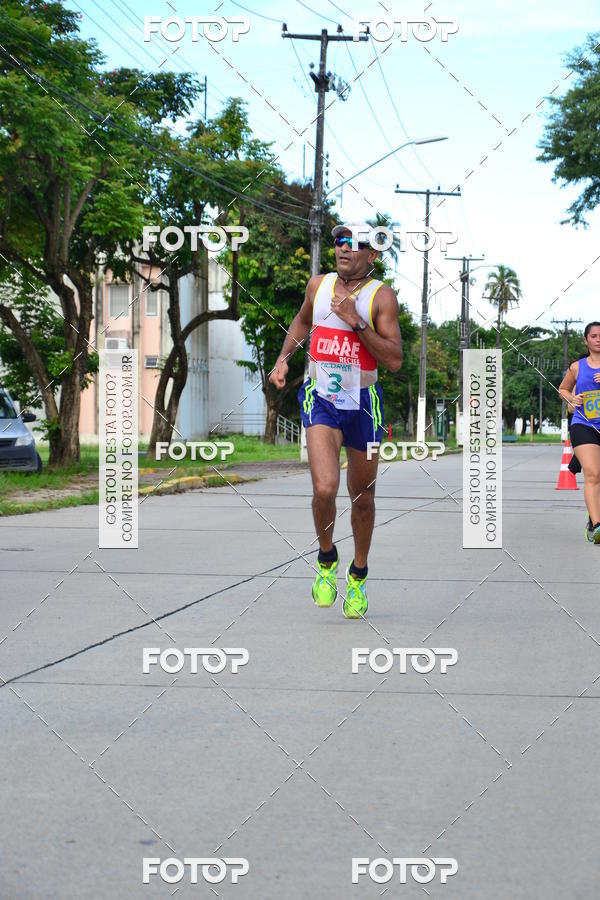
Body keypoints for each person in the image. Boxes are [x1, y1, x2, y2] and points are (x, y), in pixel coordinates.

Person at [268, 223, 403, 617]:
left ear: (372, 255)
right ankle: (326, 559)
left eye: (354, 244)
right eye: (340, 242)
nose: (344, 249)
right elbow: (302, 321)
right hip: (322, 396)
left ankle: (358, 574)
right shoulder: (319, 286)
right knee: (325, 488)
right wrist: (283, 358)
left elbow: (394, 360)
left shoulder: (381, 297)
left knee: (363, 496)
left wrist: (356, 321)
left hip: (364, 402)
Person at [558, 321, 600, 542]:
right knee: (593, 473)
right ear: (586, 340)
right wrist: (571, 398)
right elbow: (563, 389)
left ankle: (593, 513)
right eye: (594, 336)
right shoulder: (577, 367)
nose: (598, 339)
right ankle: (597, 525)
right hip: (584, 424)